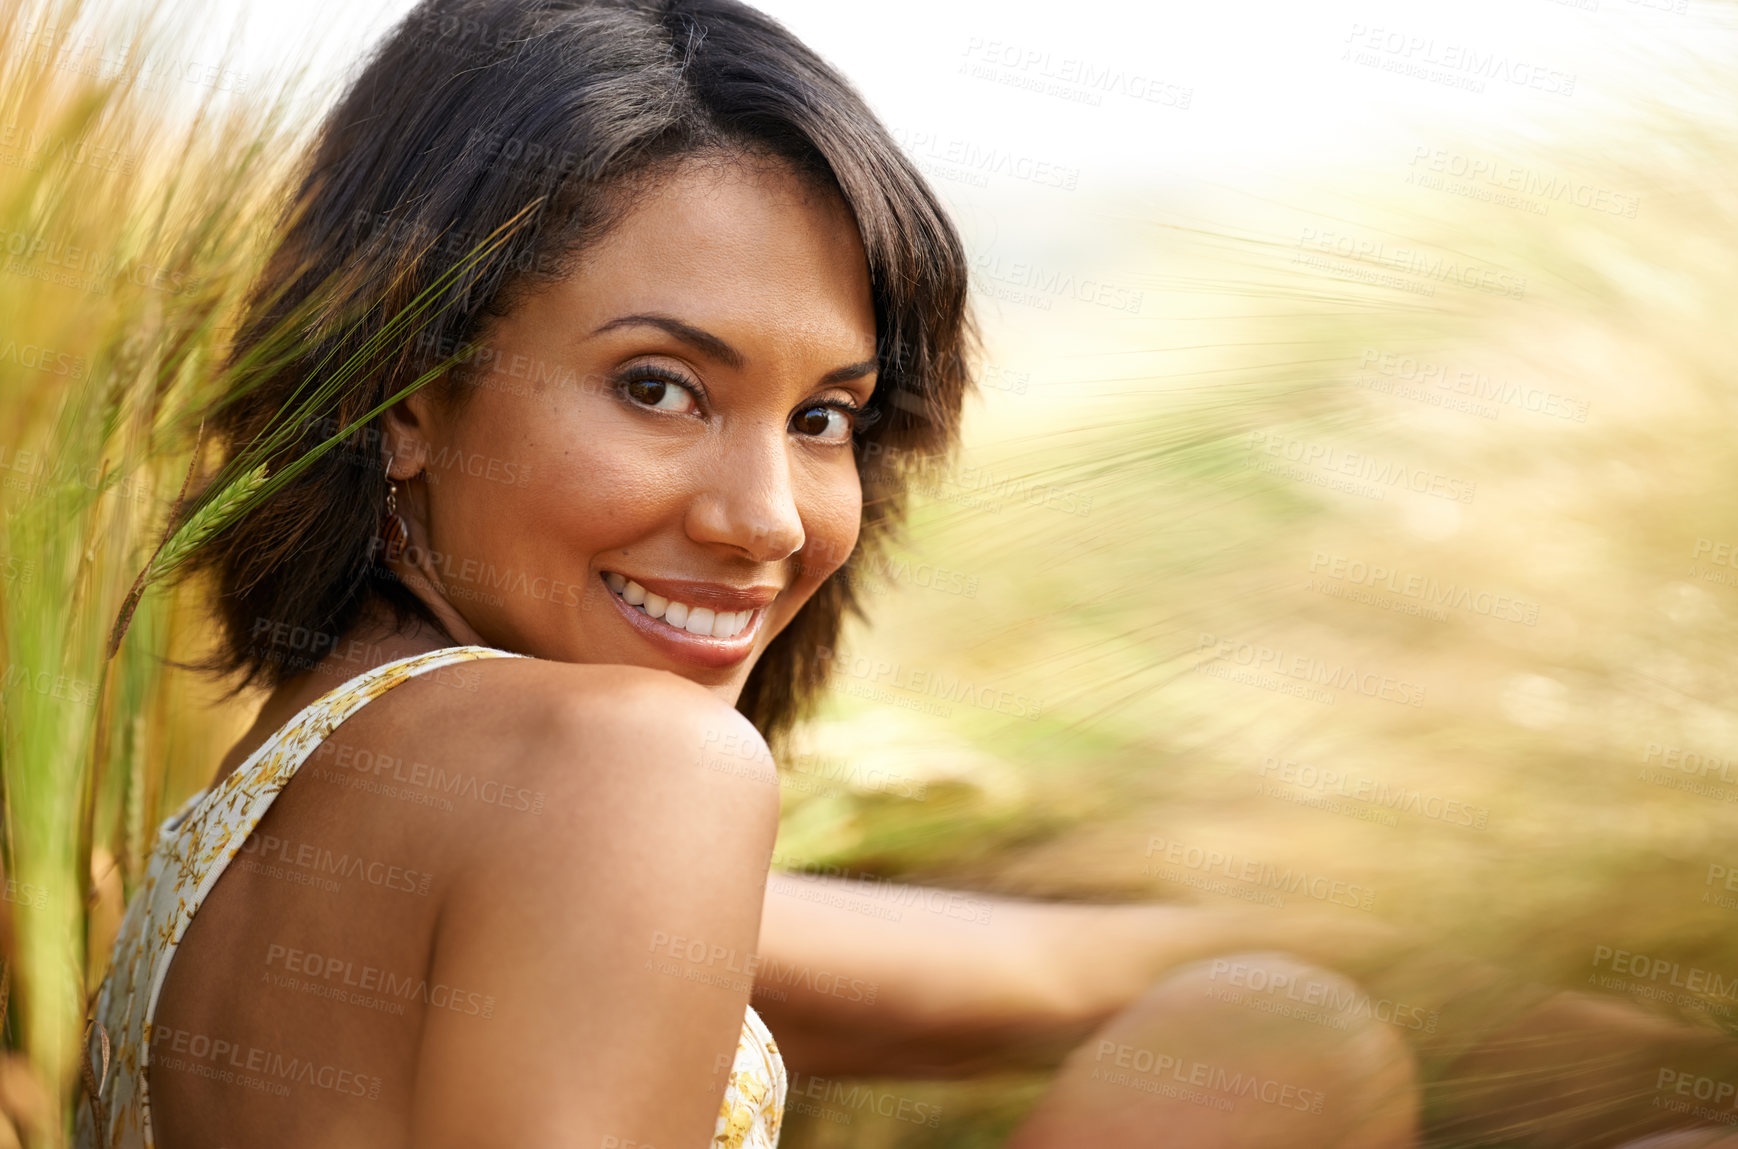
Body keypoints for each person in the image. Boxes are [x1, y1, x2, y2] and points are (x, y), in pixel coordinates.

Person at [72, 1, 1736, 1147]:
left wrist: (1511, 961)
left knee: (1265, 1027)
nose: (766, 516)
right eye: (657, 385)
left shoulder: (316, 778)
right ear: (408, 395)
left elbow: (1053, 981)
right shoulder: (630, 767)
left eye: (823, 416)